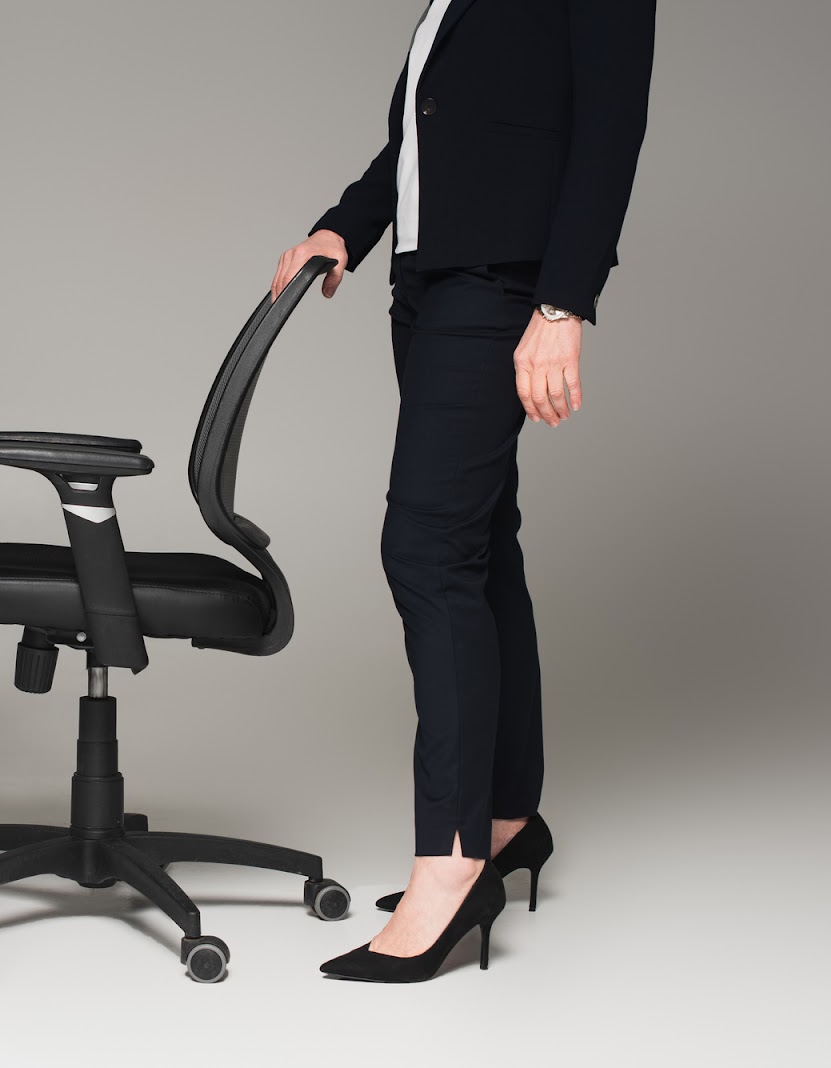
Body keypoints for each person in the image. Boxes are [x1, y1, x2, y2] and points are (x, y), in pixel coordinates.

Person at [268, 0, 656, 983]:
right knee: (480, 542)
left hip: (501, 286)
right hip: (428, 284)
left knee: (427, 550)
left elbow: (610, 125)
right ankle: (506, 816)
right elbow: (422, 130)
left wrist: (562, 304)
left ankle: (450, 863)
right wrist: (343, 227)